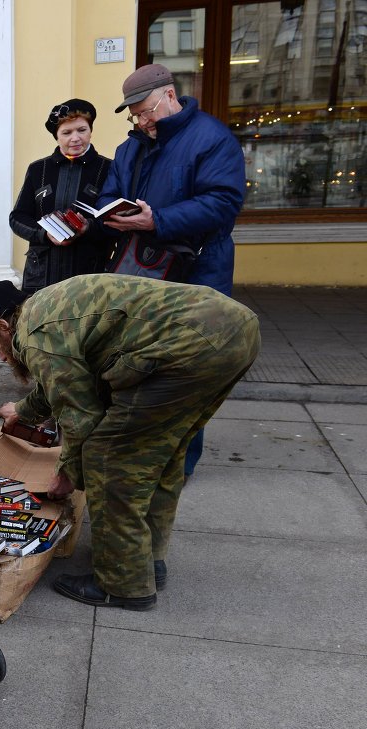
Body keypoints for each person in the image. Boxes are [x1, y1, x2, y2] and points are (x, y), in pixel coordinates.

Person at [0, 276, 260, 610]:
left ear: (3, 325)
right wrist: (23, 411)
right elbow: (69, 382)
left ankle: (123, 585)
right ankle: (148, 561)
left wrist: (68, 474)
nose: (1, 358)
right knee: (160, 453)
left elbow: (80, 415)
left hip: (190, 347)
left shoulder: (36, 337)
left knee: (108, 457)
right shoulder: (44, 310)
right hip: (233, 330)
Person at [99, 64, 247, 477]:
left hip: (198, 270)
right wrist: (109, 214)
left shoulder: (211, 138)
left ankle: (178, 466)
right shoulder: (130, 147)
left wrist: (156, 220)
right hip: (140, 268)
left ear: (169, 95)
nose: (140, 121)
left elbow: (222, 203)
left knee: (188, 370)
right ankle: (138, 453)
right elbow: (111, 193)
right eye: (133, 115)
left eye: (145, 110)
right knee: (137, 363)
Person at [9, 99, 112, 292]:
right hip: (41, 278)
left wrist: (88, 228)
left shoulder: (107, 169)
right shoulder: (38, 169)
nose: (75, 138)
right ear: (56, 136)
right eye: (66, 132)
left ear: (91, 130)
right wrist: (44, 234)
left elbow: (115, 223)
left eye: (82, 130)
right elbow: (17, 218)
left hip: (89, 279)